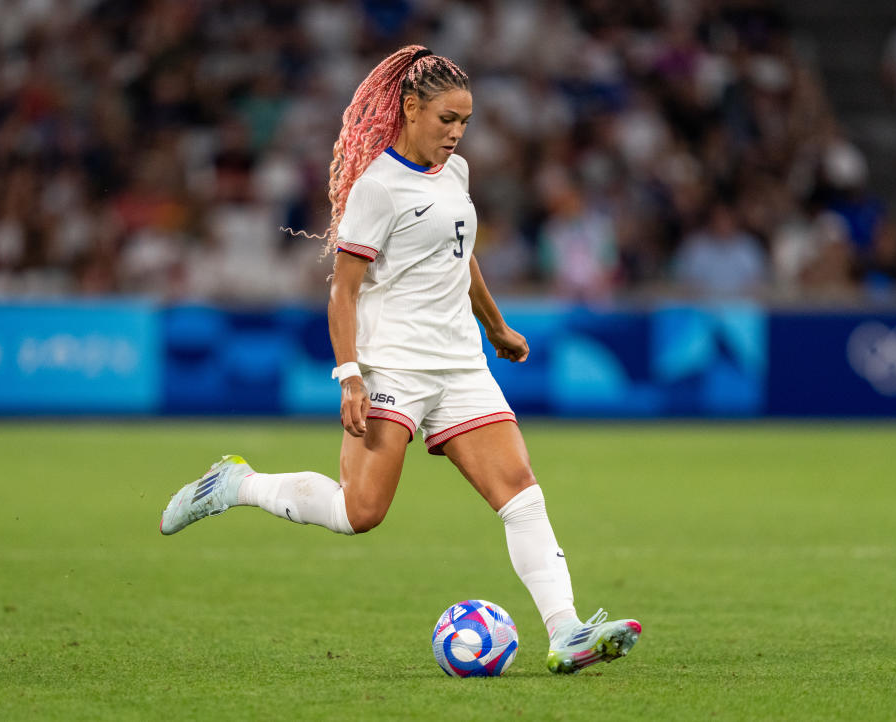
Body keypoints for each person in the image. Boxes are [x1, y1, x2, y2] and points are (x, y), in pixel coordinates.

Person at [160, 45, 641, 675]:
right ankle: (236, 484)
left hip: (462, 364)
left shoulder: (457, 174)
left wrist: (495, 327)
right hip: (393, 367)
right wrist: (351, 375)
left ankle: (566, 632)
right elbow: (343, 289)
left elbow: (459, 255)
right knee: (359, 513)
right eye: (446, 119)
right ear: (410, 108)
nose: (456, 133)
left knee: (521, 493)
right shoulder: (377, 189)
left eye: (464, 122)